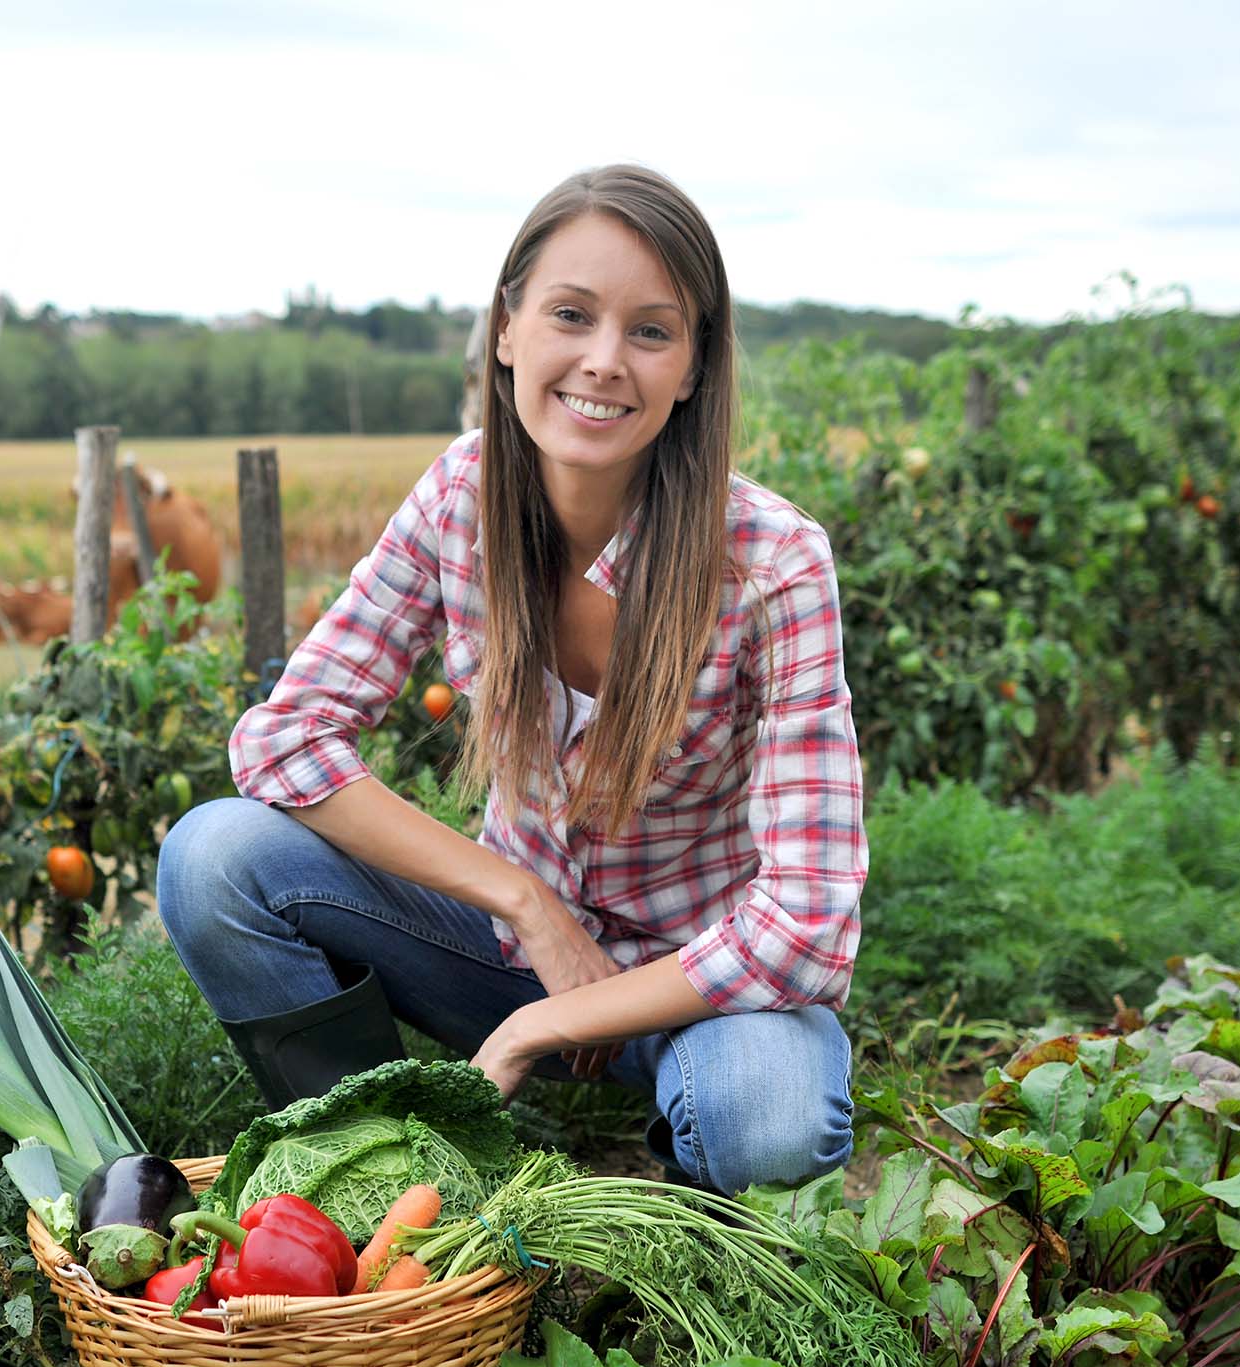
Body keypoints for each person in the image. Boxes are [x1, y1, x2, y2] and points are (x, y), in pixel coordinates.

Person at [155, 164, 863, 1196]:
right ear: (505, 329)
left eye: (651, 331)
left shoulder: (771, 562)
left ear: (694, 366)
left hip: (702, 989)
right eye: (570, 314)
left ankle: (672, 1219)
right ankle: (402, 1175)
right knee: (214, 855)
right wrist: (525, 901)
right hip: (497, 951)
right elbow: (284, 739)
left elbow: (806, 924)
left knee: (765, 1116)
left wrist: (554, 1015)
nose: (603, 361)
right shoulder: (460, 498)